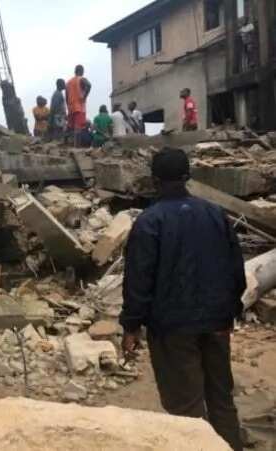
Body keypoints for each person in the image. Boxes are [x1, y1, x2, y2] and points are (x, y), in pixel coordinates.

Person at [120, 148, 245, 451]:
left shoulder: (150, 222)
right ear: (188, 177)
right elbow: (236, 270)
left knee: (185, 408)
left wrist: (131, 326)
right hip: (216, 322)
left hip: (173, 328)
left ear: (154, 180)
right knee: (221, 399)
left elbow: (139, 280)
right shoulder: (215, 214)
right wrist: (230, 311)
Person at [66, 65, 92, 146]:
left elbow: (66, 96)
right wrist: (84, 97)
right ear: (81, 71)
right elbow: (89, 85)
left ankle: (67, 145)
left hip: (71, 107)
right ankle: (76, 147)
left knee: (70, 127)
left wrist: (68, 105)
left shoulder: (68, 82)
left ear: (75, 71)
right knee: (78, 128)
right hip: (79, 107)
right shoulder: (81, 79)